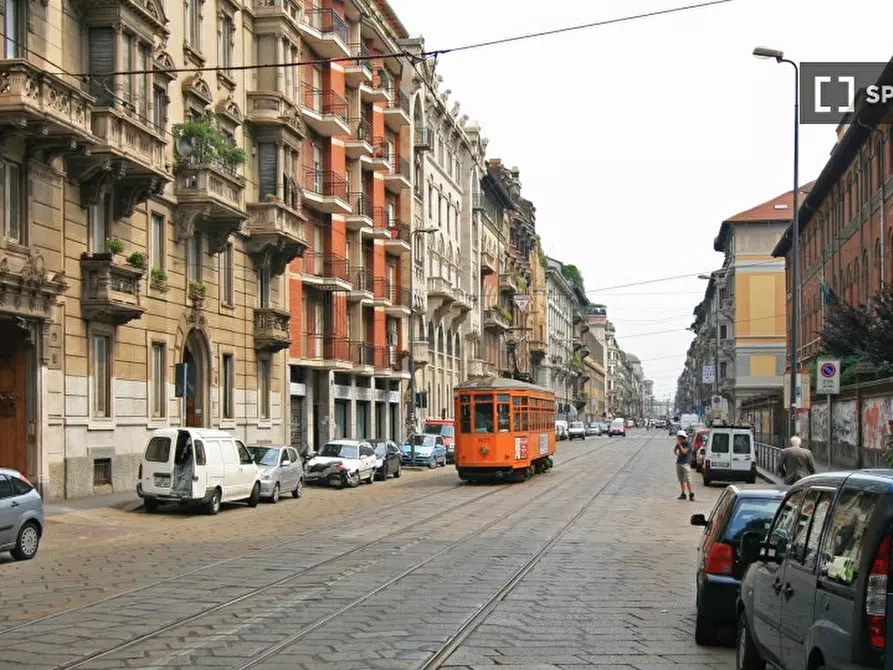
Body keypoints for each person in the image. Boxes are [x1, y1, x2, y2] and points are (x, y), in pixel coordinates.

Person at [674, 429, 695, 501]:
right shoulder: (679, 443)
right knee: (681, 480)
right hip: (679, 463)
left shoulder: (688, 444)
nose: (677, 438)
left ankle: (691, 494)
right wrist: (678, 455)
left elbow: (684, 452)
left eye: (678, 437)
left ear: (682, 437)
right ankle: (683, 493)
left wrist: (680, 445)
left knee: (688, 479)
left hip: (686, 463)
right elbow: (674, 450)